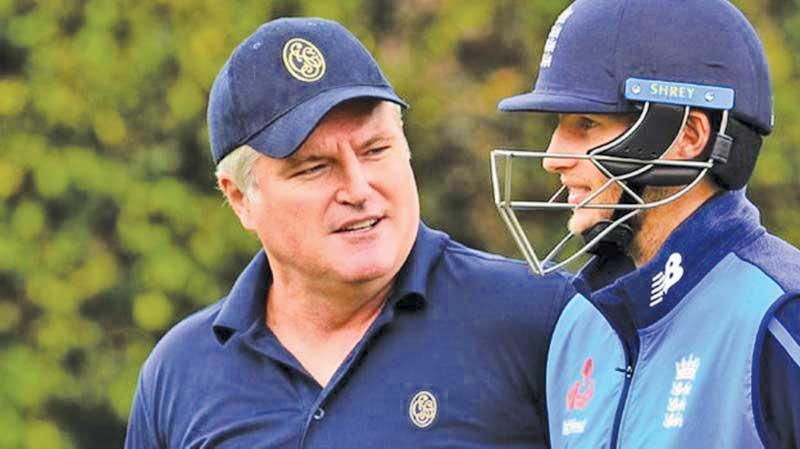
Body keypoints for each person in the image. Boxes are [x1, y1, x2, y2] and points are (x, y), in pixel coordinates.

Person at [124, 17, 574, 449]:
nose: (358, 189)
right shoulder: (179, 373)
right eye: (315, 168)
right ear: (240, 198)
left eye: (376, 150)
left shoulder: (539, 317)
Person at [491, 0, 800, 448]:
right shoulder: (580, 324)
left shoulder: (780, 316)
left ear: (687, 137)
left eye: (586, 123)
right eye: (560, 124)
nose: (552, 158)